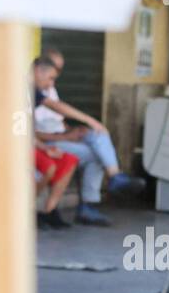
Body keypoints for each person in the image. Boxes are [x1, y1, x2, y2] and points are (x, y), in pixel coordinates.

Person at [33, 47, 145, 227]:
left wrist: (76, 129)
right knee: (93, 154)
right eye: (53, 75)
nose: (52, 82)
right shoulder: (27, 89)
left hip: (59, 137)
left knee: (97, 136)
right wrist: (74, 131)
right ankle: (85, 204)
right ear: (39, 68)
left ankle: (114, 176)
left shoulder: (44, 89)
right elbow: (30, 127)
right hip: (47, 141)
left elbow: (57, 116)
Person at [30, 58, 80, 229]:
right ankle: (26, 212)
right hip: (16, 147)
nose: (51, 85)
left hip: (33, 144)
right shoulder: (18, 91)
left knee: (69, 160)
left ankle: (48, 212)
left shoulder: (33, 94)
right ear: (38, 71)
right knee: (49, 166)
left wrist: (45, 148)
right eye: (50, 78)